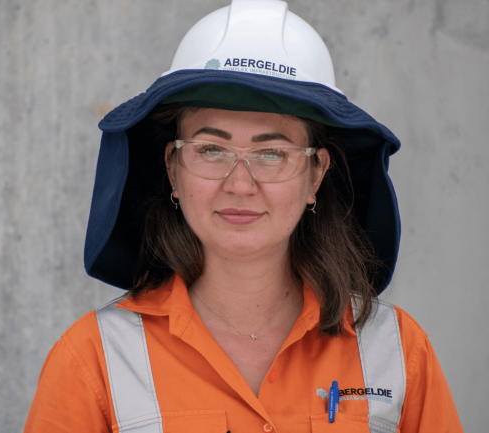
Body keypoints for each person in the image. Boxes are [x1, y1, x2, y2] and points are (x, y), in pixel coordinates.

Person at [24, 1, 463, 432]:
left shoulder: (398, 352)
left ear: (316, 175)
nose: (239, 184)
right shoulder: (94, 358)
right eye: (212, 150)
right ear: (173, 170)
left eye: (271, 152)